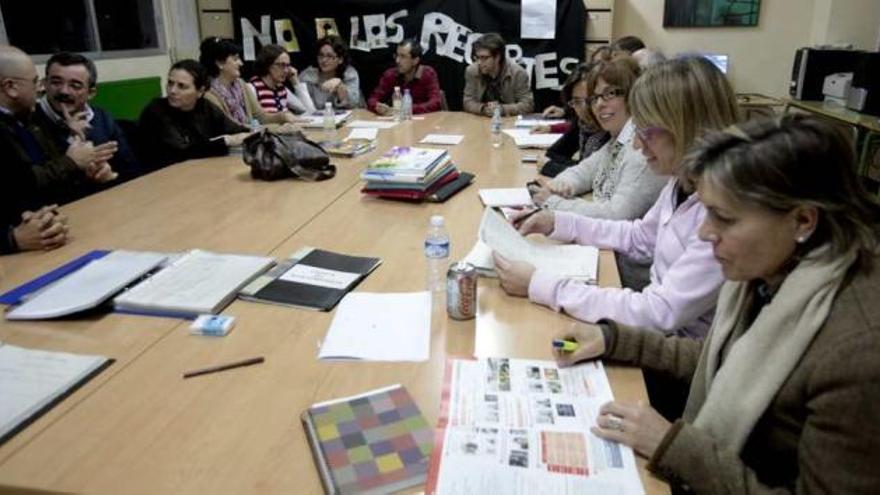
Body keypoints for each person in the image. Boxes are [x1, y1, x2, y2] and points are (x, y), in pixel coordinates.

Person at [554, 114, 880, 494]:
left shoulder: (859, 350)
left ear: (803, 221)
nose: (706, 233)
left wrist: (673, 447)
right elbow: (727, 358)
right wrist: (614, 340)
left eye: (723, 218)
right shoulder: (778, 273)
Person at [494, 57, 740, 338]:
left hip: (675, 354)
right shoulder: (680, 183)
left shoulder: (721, 216)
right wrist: (556, 222)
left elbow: (658, 313)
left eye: (646, 132)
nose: (636, 143)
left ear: (688, 128)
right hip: (657, 333)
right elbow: (637, 237)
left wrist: (541, 284)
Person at [0, 45, 118, 253]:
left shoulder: (23, 122)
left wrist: (89, 172)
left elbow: (45, 183)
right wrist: (12, 239)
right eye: (36, 82)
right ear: (11, 87)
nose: (41, 89)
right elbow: (24, 184)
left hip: (52, 236)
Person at [530, 56, 665, 220]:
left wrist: (552, 202)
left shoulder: (642, 150)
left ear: (632, 96)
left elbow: (616, 215)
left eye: (610, 93)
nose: (599, 104)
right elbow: (584, 171)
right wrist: (561, 185)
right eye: (594, 98)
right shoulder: (618, 139)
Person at [33, 52, 141, 187]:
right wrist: (69, 137)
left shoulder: (102, 117)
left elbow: (131, 169)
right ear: (44, 84)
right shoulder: (29, 120)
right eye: (56, 82)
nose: (64, 91)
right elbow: (32, 184)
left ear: (91, 93)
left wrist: (111, 176)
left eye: (75, 85)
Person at [138, 60, 252, 169]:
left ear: (200, 91)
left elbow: (238, 130)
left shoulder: (205, 106)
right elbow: (183, 152)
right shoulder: (156, 110)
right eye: (170, 83)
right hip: (162, 175)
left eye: (181, 86)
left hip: (199, 170)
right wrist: (226, 141)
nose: (172, 91)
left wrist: (249, 134)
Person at [199, 37, 301, 131]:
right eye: (235, 59)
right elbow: (233, 128)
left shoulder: (241, 84)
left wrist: (283, 116)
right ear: (220, 63)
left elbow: (260, 116)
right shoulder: (209, 94)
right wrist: (278, 129)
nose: (241, 63)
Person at [535, 63, 611, 177]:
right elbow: (553, 153)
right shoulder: (582, 123)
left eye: (590, 99)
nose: (584, 108)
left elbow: (599, 177)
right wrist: (578, 167)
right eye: (577, 101)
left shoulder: (611, 129)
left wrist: (553, 167)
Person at [462, 33, 533, 117]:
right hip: (481, 119)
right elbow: (467, 102)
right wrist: (483, 109)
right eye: (477, 57)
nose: (479, 62)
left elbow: (527, 105)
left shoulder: (518, 73)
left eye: (484, 58)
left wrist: (502, 109)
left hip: (508, 121)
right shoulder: (472, 71)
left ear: (497, 57)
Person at [366, 38, 441, 115]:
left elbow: (435, 103)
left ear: (415, 60)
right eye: (397, 55)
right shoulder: (390, 75)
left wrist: (405, 110)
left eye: (403, 56)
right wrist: (378, 107)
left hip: (425, 123)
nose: (397, 61)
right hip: (398, 123)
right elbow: (372, 99)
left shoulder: (427, 74)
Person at [248, 44, 315, 116]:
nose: (286, 70)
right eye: (282, 65)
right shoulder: (253, 88)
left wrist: (295, 82)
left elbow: (309, 110)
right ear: (268, 65)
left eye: (288, 65)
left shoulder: (281, 88)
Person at [299, 35, 361, 109]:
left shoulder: (349, 74)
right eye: (321, 55)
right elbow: (303, 107)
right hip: (316, 118)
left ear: (340, 59)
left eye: (329, 56)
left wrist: (340, 85)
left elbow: (353, 105)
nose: (324, 60)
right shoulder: (307, 76)